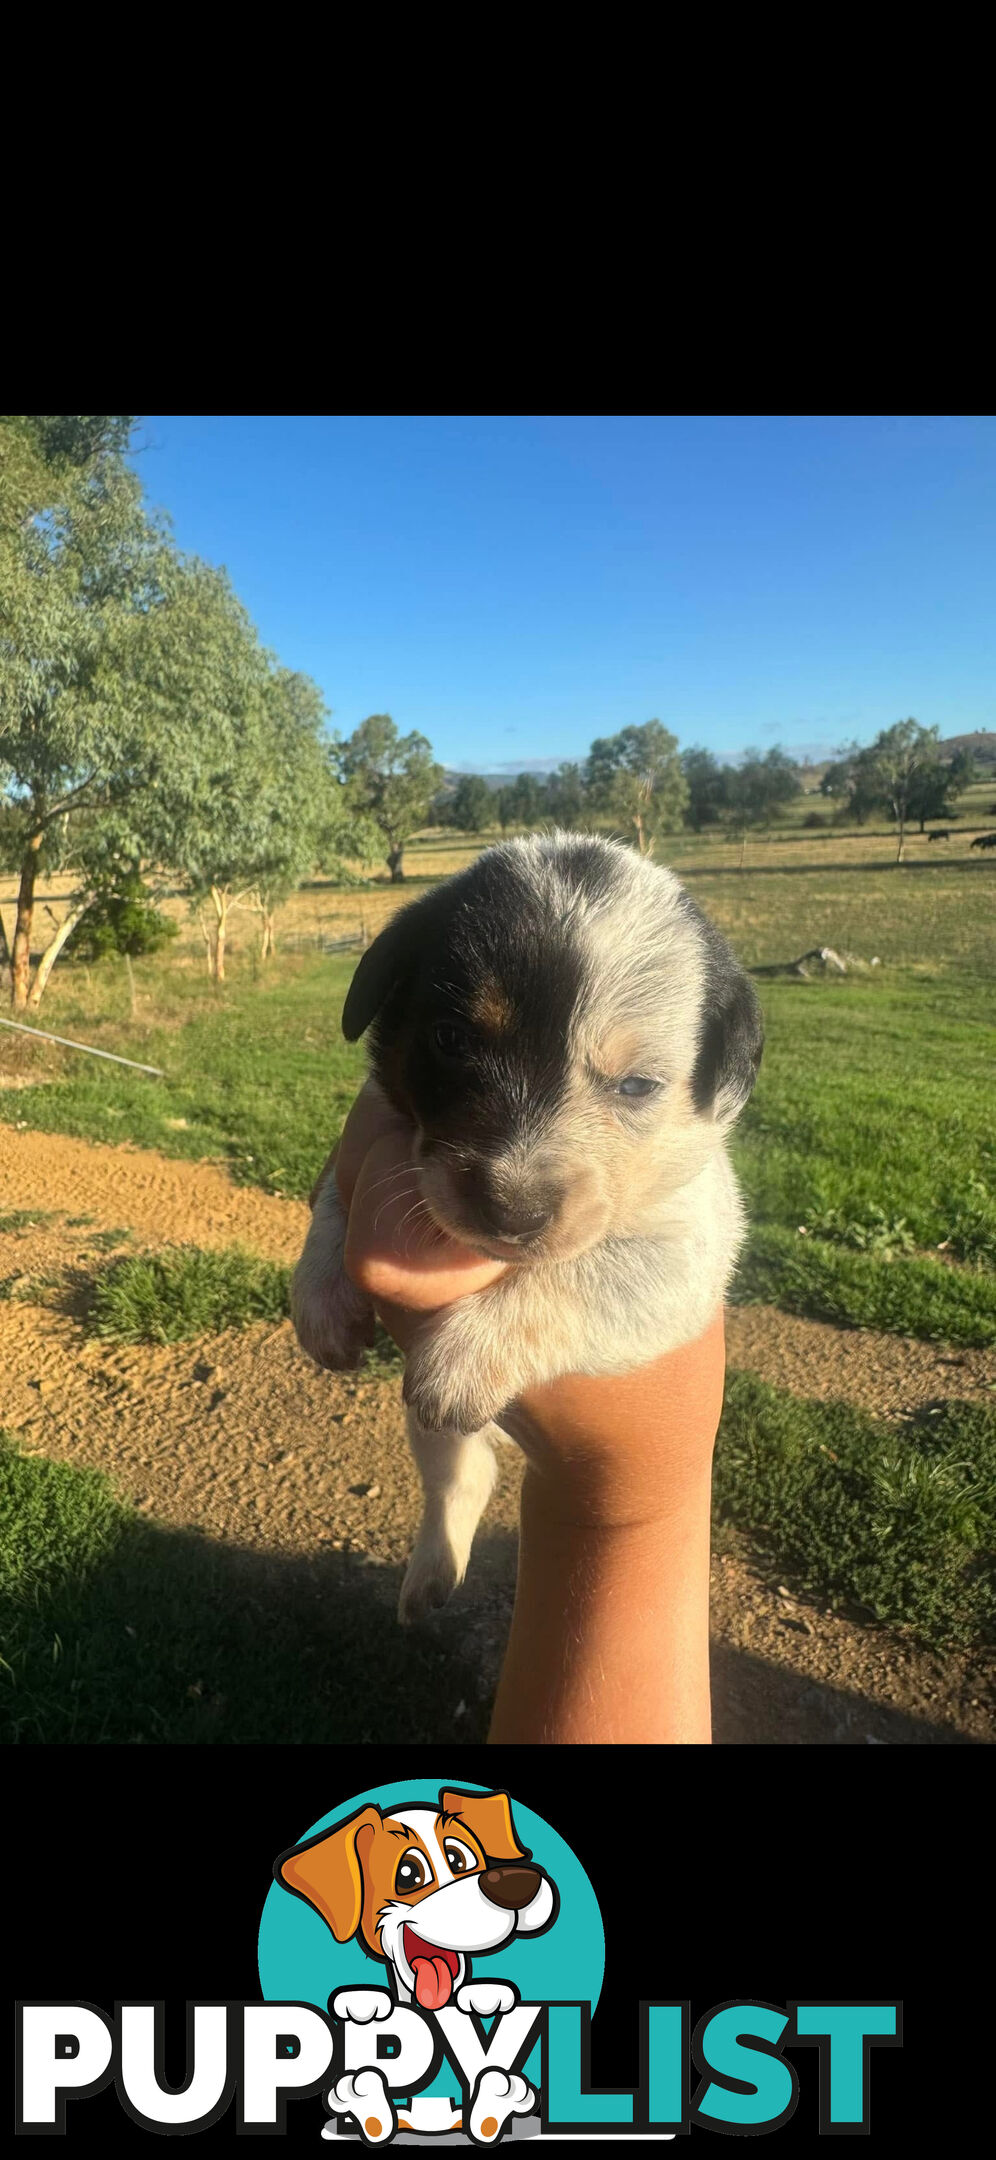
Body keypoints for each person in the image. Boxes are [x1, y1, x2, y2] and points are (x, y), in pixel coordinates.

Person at [323, 1082, 725, 1745]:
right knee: (439, 1397)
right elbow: (350, 1165)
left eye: (633, 1085)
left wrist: (637, 1490)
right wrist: (330, 1237)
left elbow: (685, 1267)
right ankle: (451, 1500)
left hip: (612, 1358)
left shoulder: (680, 1146)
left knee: (449, 1372)